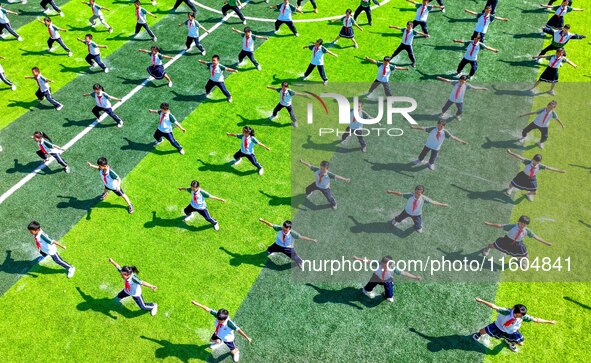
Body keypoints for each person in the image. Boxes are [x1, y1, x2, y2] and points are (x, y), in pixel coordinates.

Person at [472, 298, 556, 353]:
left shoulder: (523, 316)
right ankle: (478, 334)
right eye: (520, 315)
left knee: (521, 343)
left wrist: (549, 321)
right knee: (483, 331)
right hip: (498, 326)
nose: (522, 316)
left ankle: (509, 341)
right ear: (515, 312)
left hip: (511, 332)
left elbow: (536, 320)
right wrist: (481, 301)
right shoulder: (506, 312)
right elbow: (494, 306)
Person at [480, 216, 552, 264]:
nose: (523, 225)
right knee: (493, 246)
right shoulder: (512, 226)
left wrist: (546, 243)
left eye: (525, 224)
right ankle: (487, 248)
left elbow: (535, 237)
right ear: (518, 222)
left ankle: (520, 260)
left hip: (517, 244)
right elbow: (500, 226)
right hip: (506, 240)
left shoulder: (527, 230)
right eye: (522, 223)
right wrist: (490, 224)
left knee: (526, 256)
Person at [354, 255, 421, 303]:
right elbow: (368, 261)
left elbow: (404, 273)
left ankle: (387, 295)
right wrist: (358, 259)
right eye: (382, 265)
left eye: (385, 266)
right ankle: (367, 289)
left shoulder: (393, 268)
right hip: (376, 277)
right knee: (367, 288)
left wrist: (415, 277)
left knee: (389, 297)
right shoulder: (378, 263)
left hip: (387, 280)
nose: (383, 267)